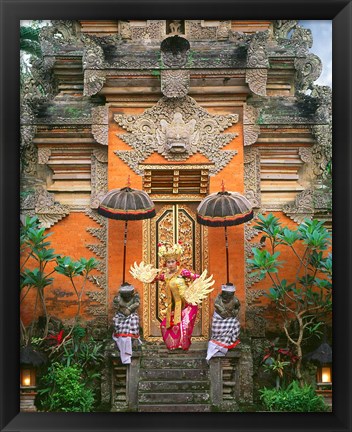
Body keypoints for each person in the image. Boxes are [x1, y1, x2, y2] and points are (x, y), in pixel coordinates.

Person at [130, 241, 214, 351]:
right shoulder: (165, 275)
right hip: (174, 306)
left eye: (172, 261)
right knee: (165, 325)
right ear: (166, 263)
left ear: (177, 262)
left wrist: (194, 288)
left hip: (188, 304)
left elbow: (198, 277)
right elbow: (153, 279)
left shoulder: (182, 272)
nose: (170, 264)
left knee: (184, 325)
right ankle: (173, 345)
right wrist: (144, 276)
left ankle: (183, 346)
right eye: (168, 262)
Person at [206, 283, 241, 361]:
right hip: (219, 318)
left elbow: (238, 307)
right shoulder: (219, 299)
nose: (227, 297)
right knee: (216, 330)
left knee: (236, 323)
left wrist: (234, 312)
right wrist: (223, 312)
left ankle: (232, 340)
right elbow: (217, 305)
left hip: (229, 318)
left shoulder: (235, 300)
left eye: (230, 295)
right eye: (226, 294)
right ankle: (217, 343)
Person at [112, 283, 141, 364]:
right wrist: (122, 310)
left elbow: (137, 304)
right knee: (116, 320)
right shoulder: (118, 297)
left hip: (131, 313)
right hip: (121, 314)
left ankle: (134, 338)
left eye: (128, 294)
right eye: (125, 294)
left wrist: (129, 309)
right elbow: (115, 306)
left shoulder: (135, 296)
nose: (126, 296)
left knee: (134, 320)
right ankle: (120, 336)